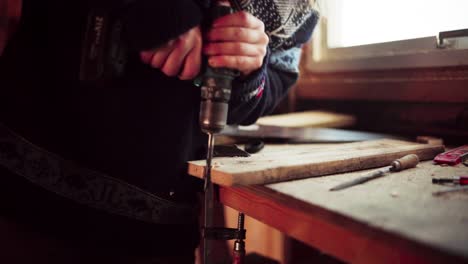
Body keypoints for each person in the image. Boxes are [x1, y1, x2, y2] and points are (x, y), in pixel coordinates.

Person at [0, 0, 318, 263]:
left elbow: (269, 86)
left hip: (158, 226)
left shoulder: (300, 9)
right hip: (28, 198)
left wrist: (249, 68)